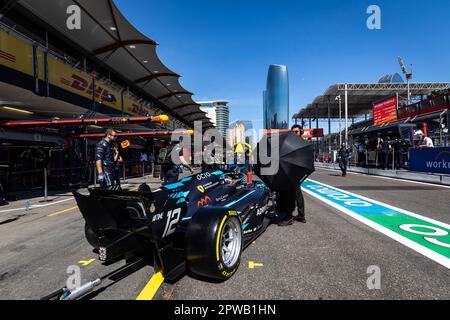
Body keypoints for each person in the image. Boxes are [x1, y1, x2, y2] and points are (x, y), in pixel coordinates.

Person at [290, 124, 306, 223]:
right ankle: (300, 215)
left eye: (296, 131)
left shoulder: (301, 143)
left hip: (297, 171)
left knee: (296, 194)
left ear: (300, 132)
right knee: (296, 193)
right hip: (291, 170)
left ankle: (300, 215)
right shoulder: (292, 142)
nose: (294, 133)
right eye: (292, 132)